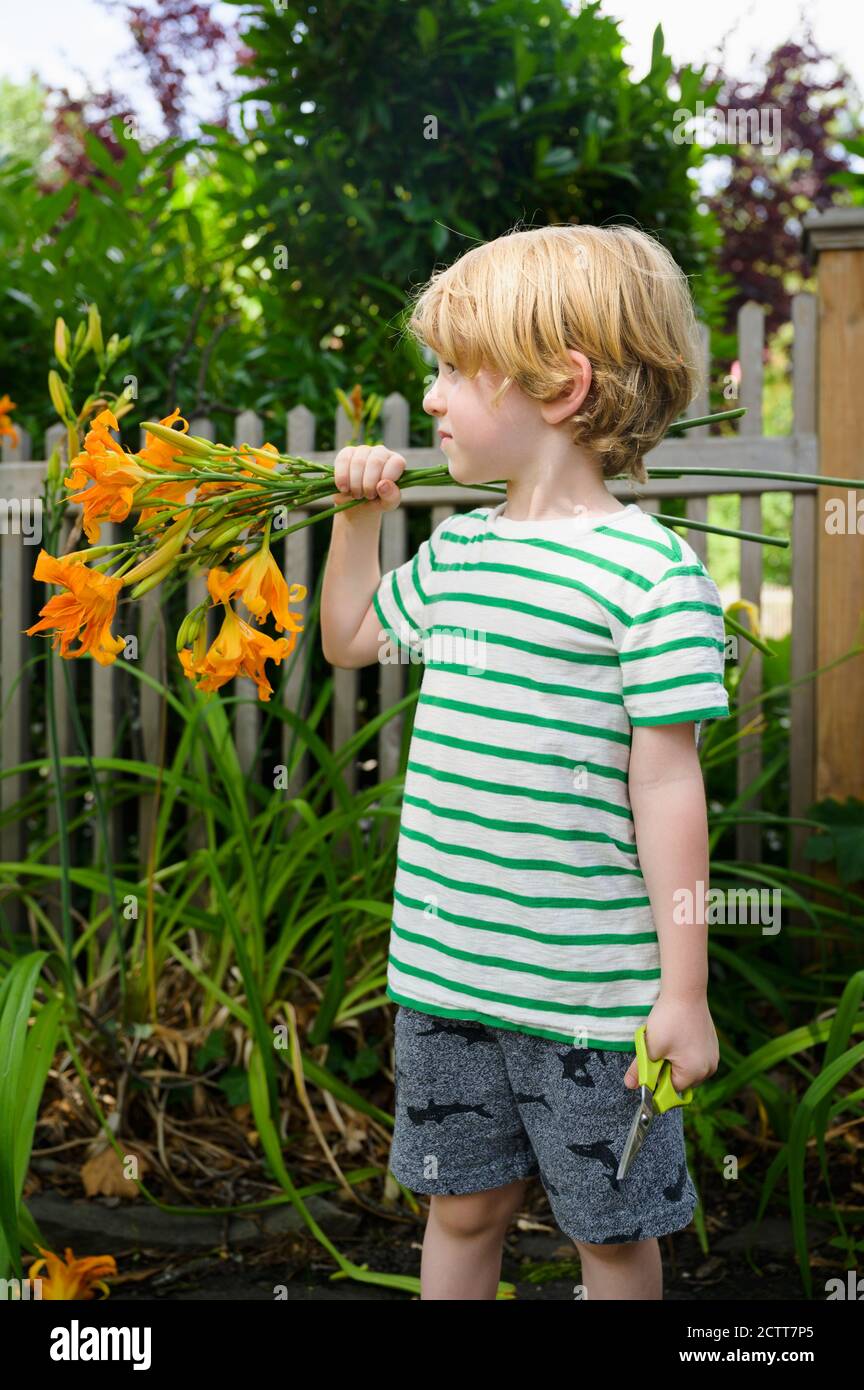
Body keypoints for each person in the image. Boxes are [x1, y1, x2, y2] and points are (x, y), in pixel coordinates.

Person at [320, 223, 729, 1300]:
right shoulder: (457, 553)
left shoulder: (648, 576)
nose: (436, 396)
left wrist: (682, 991)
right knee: (461, 1207)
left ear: (560, 387)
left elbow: (669, 785)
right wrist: (358, 526)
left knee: (608, 1231)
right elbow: (353, 638)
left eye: (457, 370)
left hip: (594, 996)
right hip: (446, 975)